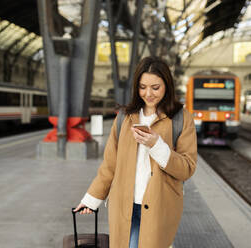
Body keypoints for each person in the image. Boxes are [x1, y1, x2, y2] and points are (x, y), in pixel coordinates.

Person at [74, 56, 197, 248]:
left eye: (155, 87)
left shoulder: (181, 118)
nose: (148, 93)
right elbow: (110, 165)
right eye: (142, 87)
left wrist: (157, 145)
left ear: (167, 86)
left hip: (160, 206)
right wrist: (91, 198)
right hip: (124, 205)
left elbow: (187, 168)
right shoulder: (125, 117)